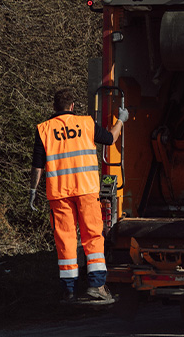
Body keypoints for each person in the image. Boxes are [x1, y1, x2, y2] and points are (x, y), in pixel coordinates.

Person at [29, 88, 128, 303]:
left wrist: (33, 191)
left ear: (54, 107)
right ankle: (97, 286)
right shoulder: (86, 123)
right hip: (86, 190)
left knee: (65, 240)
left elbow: (37, 165)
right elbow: (110, 138)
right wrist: (121, 119)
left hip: (59, 193)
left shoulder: (44, 129)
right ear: (72, 106)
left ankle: (69, 291)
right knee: (92, 236)